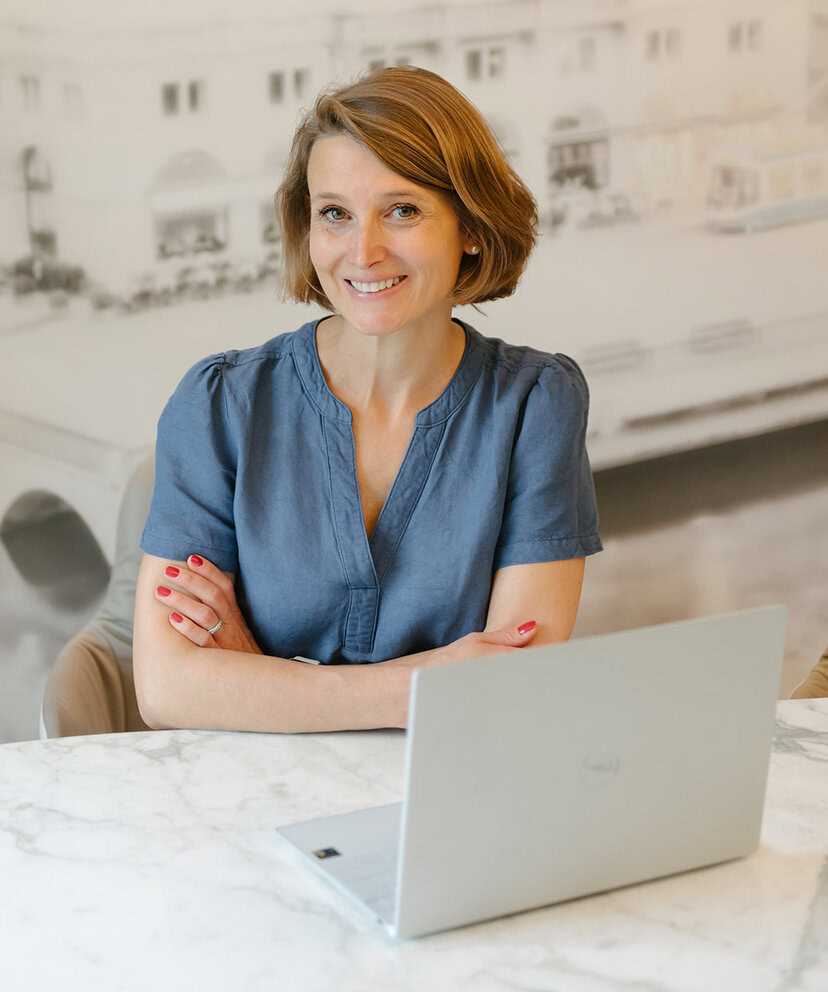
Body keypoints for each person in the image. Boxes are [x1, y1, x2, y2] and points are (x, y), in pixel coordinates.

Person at [133, 66, 602, 733]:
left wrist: (262, 675)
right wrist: (426, 684)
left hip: (450, 780)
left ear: (470, 225)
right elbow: (165, 690)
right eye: (335, 214)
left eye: (402, 210)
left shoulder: (535, 405)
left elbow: (507, 693)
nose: (364, 251)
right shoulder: (220, 405)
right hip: (255, 788)